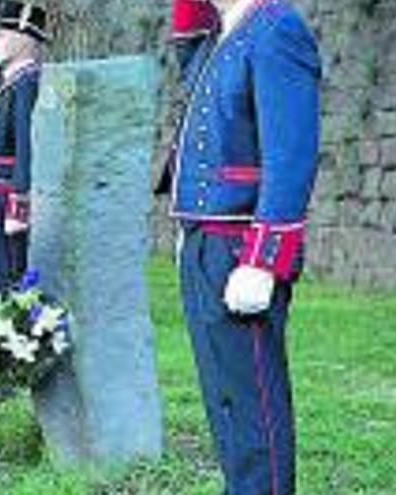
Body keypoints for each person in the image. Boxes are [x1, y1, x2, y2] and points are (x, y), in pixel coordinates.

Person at [163, 1, 322, 493]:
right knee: (225, 401)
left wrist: (263, 258)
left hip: (240, 247)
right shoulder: (221, 35)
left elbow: (291, 154)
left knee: (254, 409)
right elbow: (186, 58)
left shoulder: (277, 27)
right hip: (206, 240)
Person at [0, 0, 49, 295]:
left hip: (6, 191)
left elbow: (25, 142)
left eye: (5, 33)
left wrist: (20, 200)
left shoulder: (28, 82)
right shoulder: (9, 81)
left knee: (6, 267)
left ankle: (8, 330)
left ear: (26, 39)